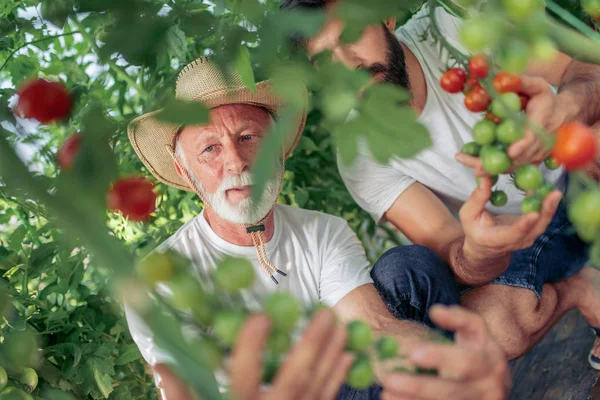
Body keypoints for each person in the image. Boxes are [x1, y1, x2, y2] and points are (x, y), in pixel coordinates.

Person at [124, 57, 510, 399]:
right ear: (185, 173)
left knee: (408, 268)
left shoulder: (322, 232)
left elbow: (373, 326)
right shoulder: (161, 278)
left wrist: (447, 358)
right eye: (210, 149)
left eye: (248, 137)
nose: (238, 162)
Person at [280, 0, 600, 366]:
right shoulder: (361, 155)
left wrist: (570, 106)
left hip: (579, 170)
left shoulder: (456, 26)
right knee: (489, 332)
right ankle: (581, 288)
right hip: (525, 238)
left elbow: (585, 68)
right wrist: (480, 251)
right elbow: (451, 248)